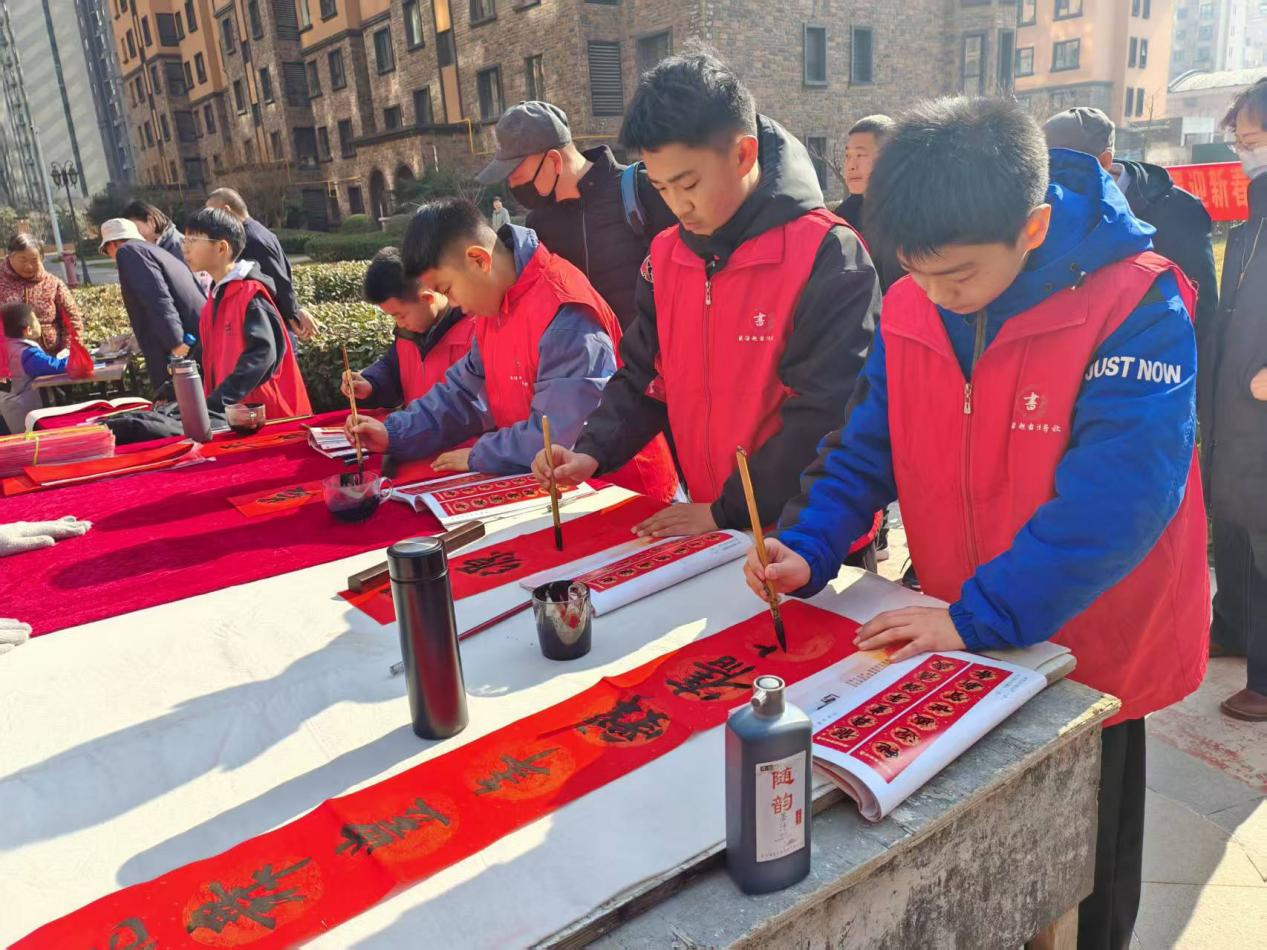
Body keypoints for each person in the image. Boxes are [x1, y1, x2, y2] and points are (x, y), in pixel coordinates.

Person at [744, 97, 1209, 950]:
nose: (931, 296)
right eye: (915, 273)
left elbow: (1123, 496)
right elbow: (867, 439)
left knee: (1084, 873)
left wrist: (978, 615)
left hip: (1089, 635)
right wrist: (809, 546)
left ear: (1031, 228)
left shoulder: (1134, 302)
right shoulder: (918, 303)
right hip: (961, 627)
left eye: (954, 276)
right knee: (988, 862)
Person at [532, 52, 880, 552]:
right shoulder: (666, 256)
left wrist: (728, 509)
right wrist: (592, 450)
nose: (678, 205)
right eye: (660, 187)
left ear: (742, 154)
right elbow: (644, 376)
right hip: (710, 521)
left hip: (810, 534)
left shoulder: (826, 253)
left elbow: (828, 412)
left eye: (689, 183)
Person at [346, 198, 677, 501]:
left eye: (448, 289)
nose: (456, 305)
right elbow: (461, 393)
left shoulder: (563, 312)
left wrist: (480, 453)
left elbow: (557, 435)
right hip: (556, 489)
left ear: (478, 260)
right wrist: (393, 433)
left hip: (623, 492)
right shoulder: (495, 305)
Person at [475, 100, 679, 329]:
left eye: (516, 173)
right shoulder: (537, 226)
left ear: (553, 161)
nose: (511, 183)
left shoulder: (642, 190)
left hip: (651, 360)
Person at [1202, 78, 1267, 721]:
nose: (1245, 150)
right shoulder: (1251, 224)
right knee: (1238, 522)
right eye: (1242, 139)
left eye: (1254, 137)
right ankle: (1233, 629)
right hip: (1237, 405)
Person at [1044, 107, 1218, 333]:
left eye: (1063, 167)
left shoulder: (1178, 209)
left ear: (1104, 162)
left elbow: (1200, 306)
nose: (1053, 179)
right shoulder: (1048, 204)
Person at [181, 208, 311, 417]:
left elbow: (263, 355)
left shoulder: (251, 295)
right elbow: (206, 355)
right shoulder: (215, 298)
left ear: (221, 247)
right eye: (184, 240)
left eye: (193, 240)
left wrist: (221, 399)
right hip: (235, 414)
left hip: (267, 416)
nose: (185, 249)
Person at [342, 246, 474, 409]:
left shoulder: (472, 330)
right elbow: (392, 369)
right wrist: (370, 384)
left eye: (401, 315)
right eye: (393, 317)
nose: (399, 323)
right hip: (415, 430)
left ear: (427, 298)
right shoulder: (406, 334)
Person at [99, 218, 206, 390]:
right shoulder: (154, 250)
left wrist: (176, 343)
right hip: (199, 334)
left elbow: (157, 298)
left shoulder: (128, 252)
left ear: (112, 245)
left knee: (183, 405)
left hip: (183, 346)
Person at [204, 188, 323, 341]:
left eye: (212, 214)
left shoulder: (251, 239)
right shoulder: (257, 231)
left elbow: (277, 281)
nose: (210, 221)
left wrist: (293, 317)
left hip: (273, 327)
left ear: (226, 210)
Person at [835, 115, 905, 294]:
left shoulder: (912, 216)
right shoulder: (842, 220)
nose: (851, 165)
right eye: (848, 156)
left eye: (860, 155)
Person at [0, 233, 84, 356]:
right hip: (10, 360)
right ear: (10, 256)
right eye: (22, 260)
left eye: (34, 260)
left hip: (52, 358)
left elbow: (72, 319)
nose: (28, 266)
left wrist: (69, 349)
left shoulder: (53, 283)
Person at [0, 302, 67, 433]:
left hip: (10, 408)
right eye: (36, 319)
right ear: (28, 330)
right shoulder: (25, 353)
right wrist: (74, 359)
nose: (40, 323)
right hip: (27, 413)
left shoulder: (7, 348)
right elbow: (54, 366)